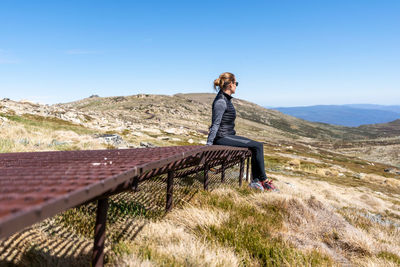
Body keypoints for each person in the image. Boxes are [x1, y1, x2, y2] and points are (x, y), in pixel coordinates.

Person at [206, 72, 277, 191]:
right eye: (236, 83)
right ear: (230, 85)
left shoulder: (226, 99)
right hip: (222, 137)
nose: (236, 86)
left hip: (227, 135)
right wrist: (209, 145)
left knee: (255, 146)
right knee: (258, 146)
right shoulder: (221, 101)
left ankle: (255, 181)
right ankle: (264, 181)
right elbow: (215, 124)